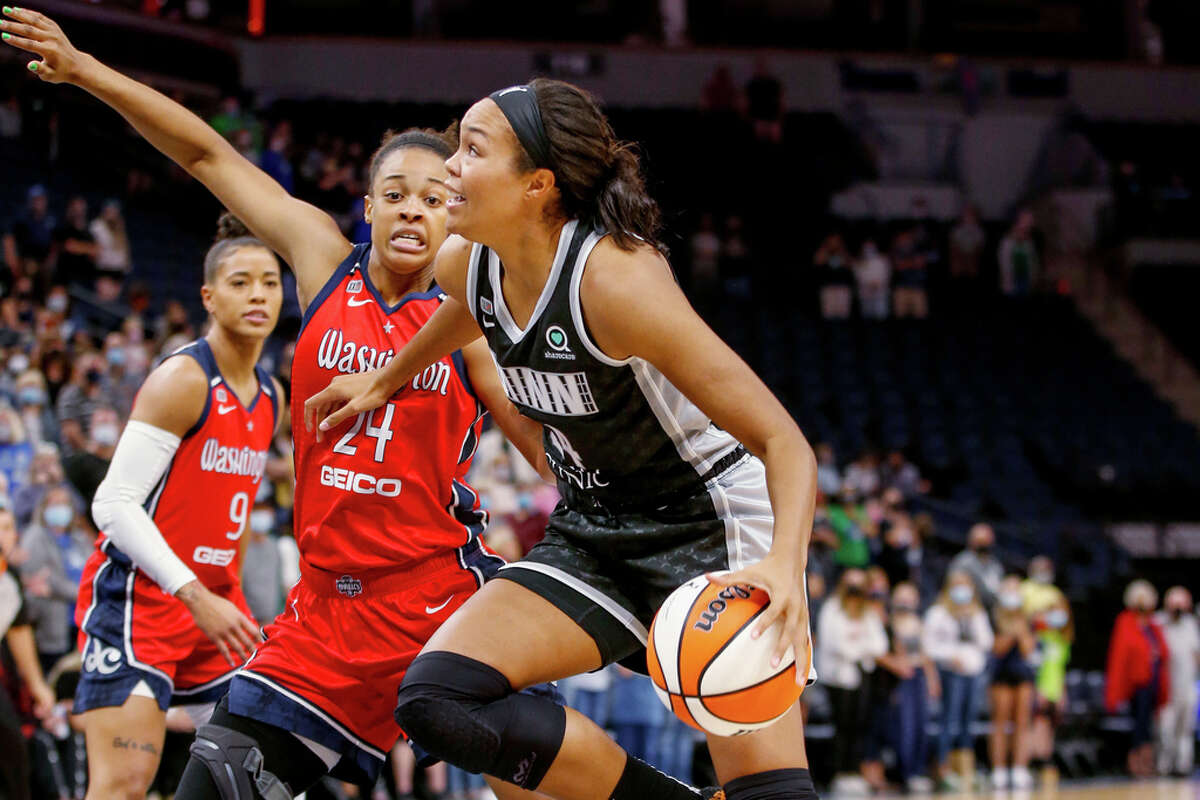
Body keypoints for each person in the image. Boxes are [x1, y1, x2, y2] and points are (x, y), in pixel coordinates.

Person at [5, 12, 560, 799]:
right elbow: (206, 153)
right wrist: (87, 70)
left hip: (432, 596)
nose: (411, 210)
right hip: (323, 614)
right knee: (208, 784)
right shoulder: (322, 260)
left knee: (529, 775)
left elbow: (546, 454)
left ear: (455, 219)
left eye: (433, 199)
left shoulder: (469, 322)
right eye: (393, 194)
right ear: (364, 208)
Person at [306, 79, 819, 800]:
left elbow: (783, 440)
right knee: (438, 701)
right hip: (594, 526)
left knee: (775, 794)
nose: (449, 166)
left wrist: (781, 566)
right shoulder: (469, 260)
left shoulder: (617, 280)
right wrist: (386, 380)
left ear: (536, 185)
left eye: (471, 150)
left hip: (707, 525)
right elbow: (467, 308)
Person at [65, 212, 285, 800]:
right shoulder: (184, 380)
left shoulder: (270, 395)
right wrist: (195, 595)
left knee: (259, 778)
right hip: (141, 602)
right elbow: (111, 503)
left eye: (269, 280)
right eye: (240, 282)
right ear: (209, 297)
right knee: (123, 785)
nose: (258, 293)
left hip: (218, 607)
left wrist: (220, 596)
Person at [817, 568, 887, 795]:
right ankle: (839, 773)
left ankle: (854, 772)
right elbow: (834, 644)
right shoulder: (832, 609)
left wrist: (858, 647)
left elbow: (879, 644)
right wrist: (861, 648)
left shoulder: (868, 612)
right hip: (838, 678)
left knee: (860, 727)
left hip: (862, 675)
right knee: (843, 727)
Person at [923, 570, 992, 790]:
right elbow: (929, 645)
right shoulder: (938, 613)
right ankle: (943, 768)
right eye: (957, 585)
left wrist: (970, 619)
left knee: (967, 722)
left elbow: (986, 642)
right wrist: (949, 657)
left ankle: (964, 770)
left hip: (973, 673)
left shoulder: (977, 613)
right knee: (949, 720)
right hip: (950, 672)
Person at [1105, 579, 1168, 778]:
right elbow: (1121, 654)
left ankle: (1148, 762)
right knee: (1138, 726)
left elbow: (1163, 650)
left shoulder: (1152, 624)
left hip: (1153, 682)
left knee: (1148, 726)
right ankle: (1135, 763)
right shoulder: (1126, 621)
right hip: (1135, 684)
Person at [987, 576, 1036, 789]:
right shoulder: (994, 617)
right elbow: (996, 648)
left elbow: (1029, 650)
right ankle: (998, 769)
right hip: (1001, 675)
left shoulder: (1027, 619)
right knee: (1000, 721)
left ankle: (1019, 768)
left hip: (1022, 674)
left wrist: (1021, 630)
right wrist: (1009, 633)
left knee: (1022, 722)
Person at [1157, 586, 1199, 777]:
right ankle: (1164, 766)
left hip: (1187, 685)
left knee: (1186, 728)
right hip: (1166, 686)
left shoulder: (1190, 624)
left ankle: (1183, 765)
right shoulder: (1159, 623)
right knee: (1166, 728)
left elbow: (1196, 654)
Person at [1031, 594, 1071, 788]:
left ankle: (1046, 761)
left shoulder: (1063, 639)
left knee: (1050, 726)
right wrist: (1038, 689)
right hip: (1041, 687)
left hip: (1055, 687)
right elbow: (1036, 665)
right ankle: (1037, 762)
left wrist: (1063, 692)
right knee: (1039, 722)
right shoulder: (1041, 636)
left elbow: (1060, 667)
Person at [947, 523, 1003, 609]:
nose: (983, 545)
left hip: (991, 609)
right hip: (967, 607)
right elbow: (953, 587)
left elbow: (999, 590)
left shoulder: (995, 565)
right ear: (971, 541)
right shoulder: (963, 562)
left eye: (986, 541)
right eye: (980, 541)